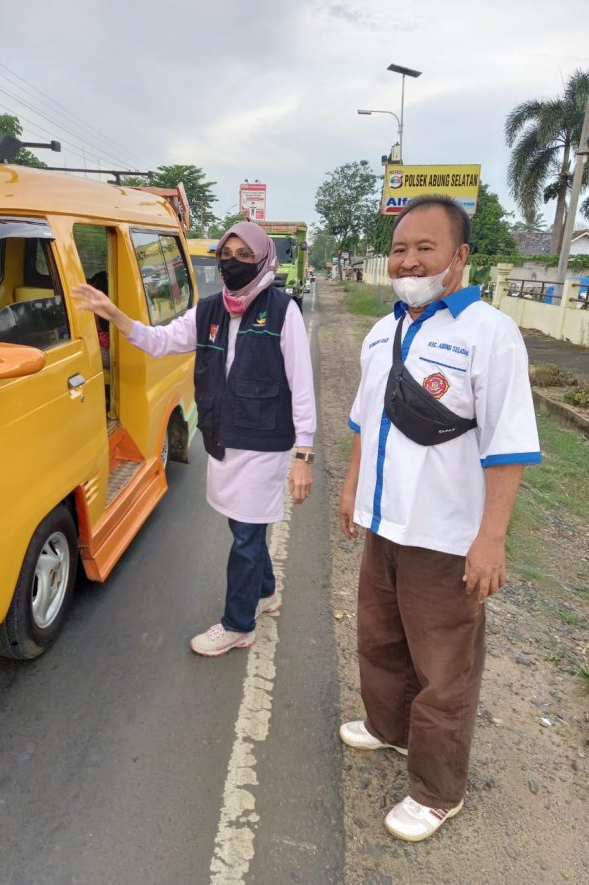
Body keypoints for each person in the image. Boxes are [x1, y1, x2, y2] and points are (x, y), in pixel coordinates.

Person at [338, 195, 541, 842]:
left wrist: (491, 538)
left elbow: (508, 445)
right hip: (384, 526)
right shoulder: (382, 329)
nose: (408, 259)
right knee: (379, 639)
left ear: (459, 257)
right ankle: (388, 727)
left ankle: (437, 789)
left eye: (425, 247)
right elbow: (363, 424)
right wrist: (350, 491)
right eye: (400, 247)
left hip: (447, 537)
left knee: (445, 668)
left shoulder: (490, 334)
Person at [72, 221, 316, 656]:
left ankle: (239, 624)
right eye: (227, 254)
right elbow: (159, 341)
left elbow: (302, 385)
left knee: (245, 533)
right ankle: (266, 592)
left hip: (264, 442)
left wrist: (305, 453)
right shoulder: (208, 311)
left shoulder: (283, 311)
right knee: (242, 523)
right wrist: (114, 314)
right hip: (224, 437)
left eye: (245, 256)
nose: (233, 263)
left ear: (262, 260)